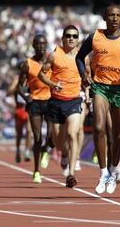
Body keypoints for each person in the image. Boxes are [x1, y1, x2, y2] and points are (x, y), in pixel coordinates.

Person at [76, 4, 120, 194]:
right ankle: (103, 172)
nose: (114, 18)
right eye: (111, 15)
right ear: (105, 18)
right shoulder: (94, 37)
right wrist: (84, 75)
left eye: (117, 15)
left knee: (118, 135)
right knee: (98, 127)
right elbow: (79, 58)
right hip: (100, 87)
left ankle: (114, 170)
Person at [38, 25, 82, 188]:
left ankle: (71, 174)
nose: (71, 38)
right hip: (56, 102)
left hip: (74, 100)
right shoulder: (54, 55)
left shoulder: (82, 57)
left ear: (78, 40)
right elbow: (41, 74)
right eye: (68, 36)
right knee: (58, 142)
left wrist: (88, 91)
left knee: (73, 134)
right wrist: (52, 84)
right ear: (63, 38)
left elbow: (88, 76)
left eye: (74, 36)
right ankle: (63, 153)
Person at [18, 34, 52, 184]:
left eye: (44, 44)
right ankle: (36, 170)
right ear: (33, 45)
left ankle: (47, 148)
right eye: (38, 44)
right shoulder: (27, 64)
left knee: (52, 135)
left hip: (51, 101)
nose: (41, 46)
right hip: (35, 102)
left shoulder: (52, 61)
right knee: (37, 137)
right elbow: (19, 86)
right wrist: (26, 97)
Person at [7, 76, 32, 163]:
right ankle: (18, 150)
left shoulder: (32, 78)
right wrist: (15, 85)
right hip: (20, 109)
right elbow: (8, 93)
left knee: (29, 131)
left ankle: (27, 151)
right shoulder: (17, 80)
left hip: (29, 108)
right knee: (19, 133)